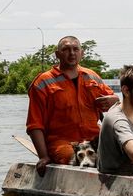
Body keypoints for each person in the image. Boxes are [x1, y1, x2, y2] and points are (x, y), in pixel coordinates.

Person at [26, 36, 119, 177]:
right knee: (75, 159)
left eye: (76, 49)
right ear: (57, 54)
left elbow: (116, 107)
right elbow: (34, 125)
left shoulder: (92, 76)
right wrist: (43, 157)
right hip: (62, 142)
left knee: (124, 153)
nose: (72, 53)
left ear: (82, 53)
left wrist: (115, 99)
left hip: (95, 138)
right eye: (66, 50)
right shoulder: (43, 82)